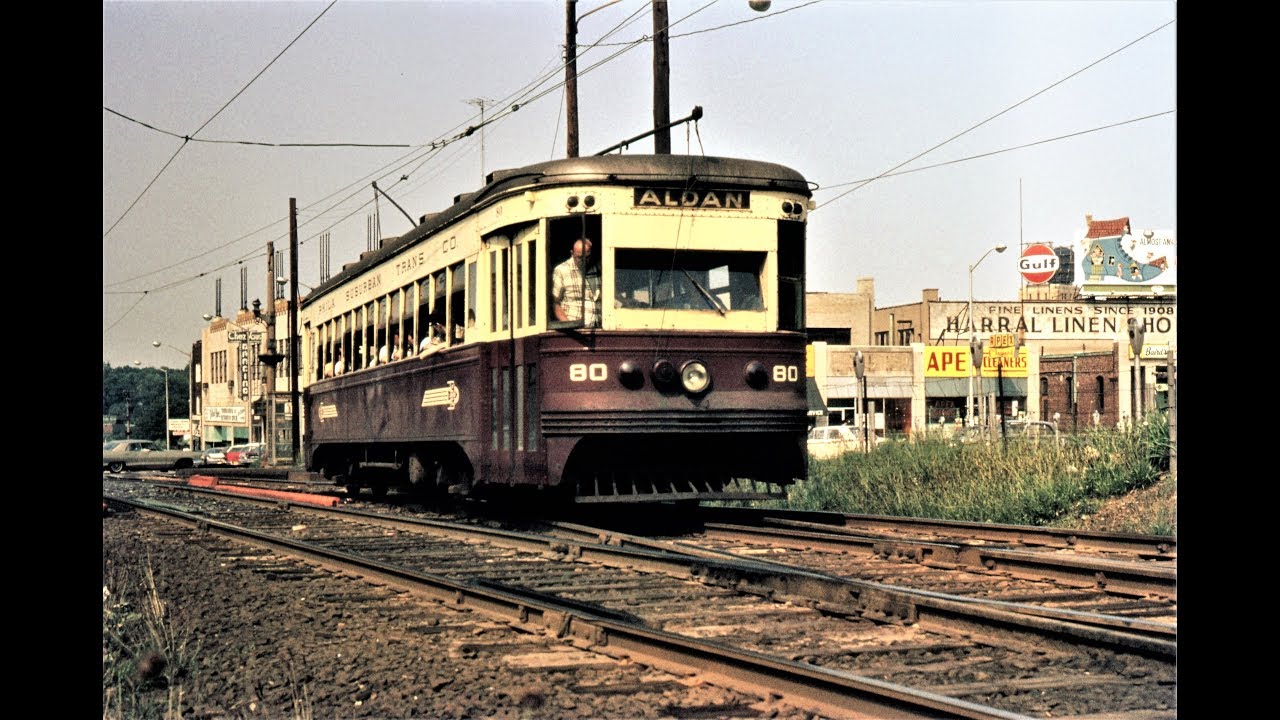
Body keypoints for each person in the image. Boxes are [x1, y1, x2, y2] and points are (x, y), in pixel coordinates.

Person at [551, 237, 600, 325]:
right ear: (572, 253)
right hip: (575, 329)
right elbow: (555, 303)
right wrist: (568, 325)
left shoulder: (599, 268)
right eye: (580, 258)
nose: (584, 261)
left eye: (587, 257)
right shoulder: (561, 270)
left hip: (599, 327)